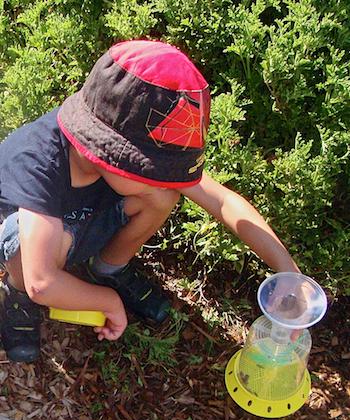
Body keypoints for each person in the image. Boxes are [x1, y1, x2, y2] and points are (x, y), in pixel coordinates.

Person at [0, 40, 299, 363]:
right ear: (106, 150)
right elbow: (42, 282)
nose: (159, 177)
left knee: (164, 194)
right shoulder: (36, 160)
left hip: (85, 225)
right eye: (150, 168)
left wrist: (289, 274)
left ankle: (108, 267)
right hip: (34, 246)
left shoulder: (118, 161)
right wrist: (106, 301)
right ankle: (15, 297)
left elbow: (224, 202)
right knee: (27, 244)